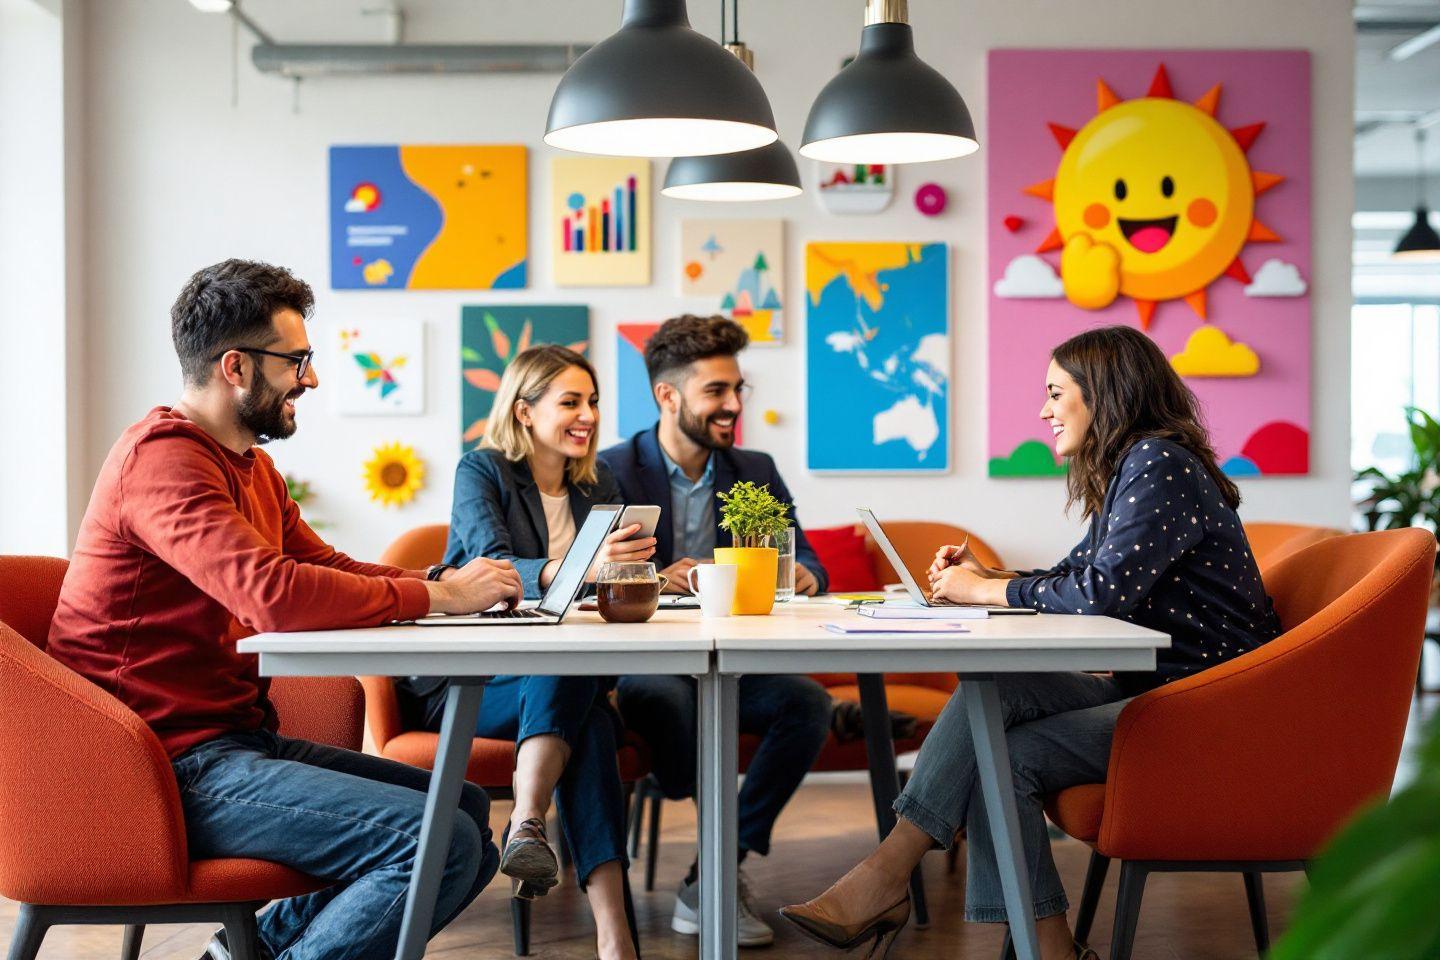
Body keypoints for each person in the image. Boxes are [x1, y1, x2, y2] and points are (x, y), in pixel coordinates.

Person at [46, 260, 523, 960]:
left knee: (464, 808)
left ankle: (239, 954)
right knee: (438, 840)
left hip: (231, 742)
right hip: (157, 769)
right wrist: (441, 598)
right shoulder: (162, 462)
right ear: (235, 367)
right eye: (297, 360)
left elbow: (321, 566)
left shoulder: (249, 466)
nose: (313, 378)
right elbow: (271, 593)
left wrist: (441, 583)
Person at [780, 325, 1282, 960]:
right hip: (1158, 692)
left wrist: (980, 593)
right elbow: (1080, 575)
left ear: (1104, 394)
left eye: (1055, 393)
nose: (1044, 411)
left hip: (1204, 711)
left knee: (1004, 752)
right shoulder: (1139, 464)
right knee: (996, 692)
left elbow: (1099, 594)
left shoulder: (1158, 463)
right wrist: (990, 576)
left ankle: (932, 897)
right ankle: (923, 892)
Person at [395, 345, 652, 960]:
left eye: (592, 401)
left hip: (562, 681)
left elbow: (607, 586)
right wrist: (581, 567)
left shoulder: (599, 484)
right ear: (524, 410)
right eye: (570, 401)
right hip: (472, 686)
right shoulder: (480, 471)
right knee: (575, 687)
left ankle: (543, 849)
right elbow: (493, 568)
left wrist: (648, 576)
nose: (587, 414)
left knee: (582, 708)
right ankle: (552, 847)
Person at [598, 314, 835, 947]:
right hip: (651, 663)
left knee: (808, 703)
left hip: (737, 658)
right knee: (668, 699)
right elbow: (592, 576)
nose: (733, 404)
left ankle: (716, 870)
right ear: (667, 396)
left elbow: (808, 561)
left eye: (738, 389)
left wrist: (800, 575)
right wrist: (657, 576)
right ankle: (707, 851)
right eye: (716, 392)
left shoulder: (754, 467)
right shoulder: (610, 470)